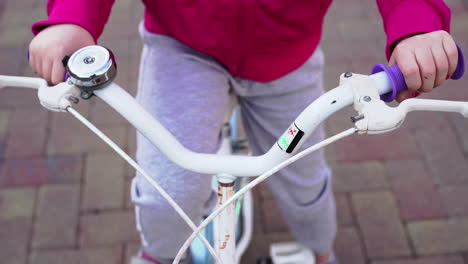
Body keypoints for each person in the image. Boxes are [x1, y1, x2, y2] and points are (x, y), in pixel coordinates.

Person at [28, 1, 459, 263]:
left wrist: (416, 23)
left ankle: (321, 251)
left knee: (305, 185)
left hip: (286, 55)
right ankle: (161, 255)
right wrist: (72, 17)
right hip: (184, 48)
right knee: (168, 190)